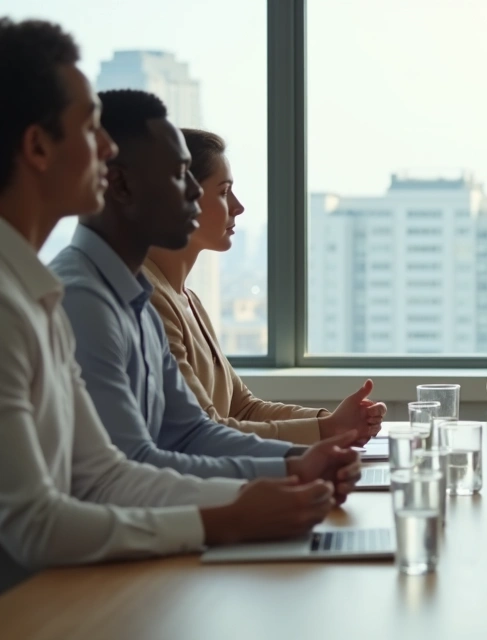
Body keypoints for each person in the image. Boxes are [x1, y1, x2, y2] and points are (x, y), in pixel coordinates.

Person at [0, 19, 335, 593]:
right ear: (36, 146)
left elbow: (107, 474)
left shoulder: (42, 298)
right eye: (89, 128)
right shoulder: (41, 301)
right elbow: (34, 524)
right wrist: (223, 519)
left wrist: (280, 475)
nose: (106, 149)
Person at [49, 89, 362, 486]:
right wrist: (249, 504)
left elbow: (190, 431)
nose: (197, 195)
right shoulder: (85, 299)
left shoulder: (136, 297)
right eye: (181, 177)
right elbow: (128, 470)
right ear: (121, 185)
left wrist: (297, 462)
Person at [143, 128, 384, 445]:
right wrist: (327, 430)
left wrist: (330, 421)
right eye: (223, 191)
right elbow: (202, 431)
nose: (238, 206)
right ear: (182, 198)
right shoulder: (149, 300)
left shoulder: (188, 299)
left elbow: (243, 408)